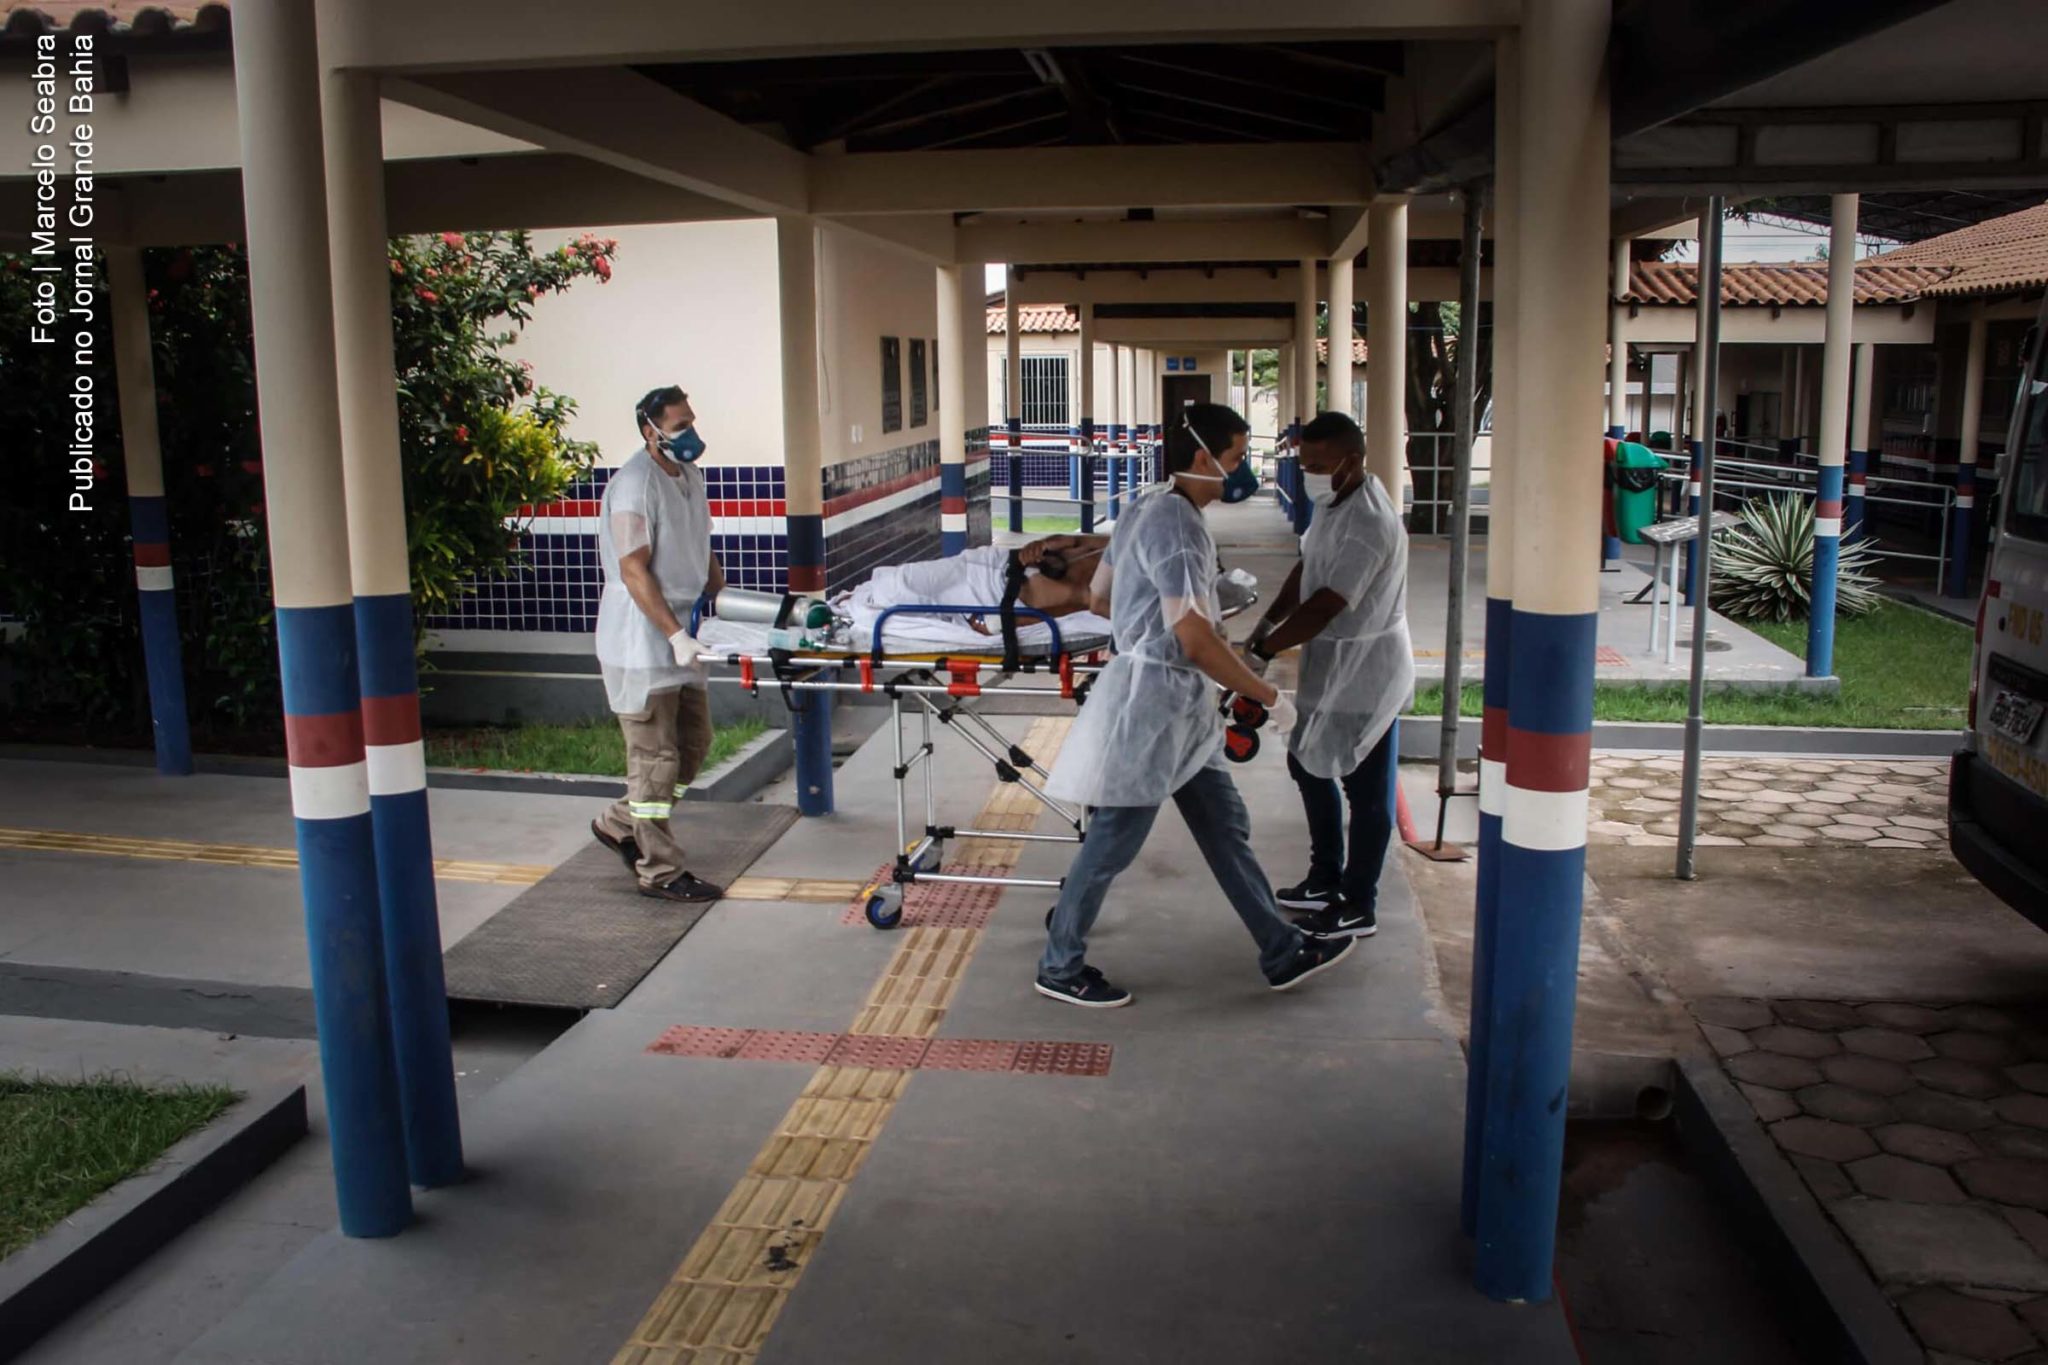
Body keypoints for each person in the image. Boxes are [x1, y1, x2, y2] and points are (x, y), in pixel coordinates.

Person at [1034, 403, 1357, 1008]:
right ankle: (1059, 965)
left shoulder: (1145, 506)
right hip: (1154, 710)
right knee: (1113, 840)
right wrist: (1263, 693)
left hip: (1174, 707)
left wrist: (1197, 610)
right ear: (1205, 457)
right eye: (1236, 458)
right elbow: (1193, 637)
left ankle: (1282, 950)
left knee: (1225, 828)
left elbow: (1100, 599)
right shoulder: (1180, 526)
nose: (1242, 470)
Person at [1244, 411, 1413, 939]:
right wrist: (1267, 622)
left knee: (1364, 788)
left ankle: (1359, 901)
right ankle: (1324, 876)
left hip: (1366, 671)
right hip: (1330, 662)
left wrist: (1266, 648)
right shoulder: (1332, 503)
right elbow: (1307, 568)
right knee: (1306, 764)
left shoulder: (1369, 522)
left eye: (1320, 465)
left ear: (1353, 461)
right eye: (1304, 463)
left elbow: (1328, 602)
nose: (1309, 473)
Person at [588, 384, 729, 902]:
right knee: (655, 762)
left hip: (681, 639)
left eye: (691, 421)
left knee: (695, 745)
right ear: (651, 431)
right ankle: (660, 870)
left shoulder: (688, 475)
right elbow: (632, 567)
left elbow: (701, 545)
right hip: (642, 644)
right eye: (678, 426)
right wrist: (672, 634)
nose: (690, 433)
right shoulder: (634, 485)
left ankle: (619, 822)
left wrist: (726, 599)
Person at [844, 534, 1109, 633]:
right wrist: (1039, 546)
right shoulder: (1117, 543)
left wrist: (1001, 622)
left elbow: (1069, 612)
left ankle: (854, 611)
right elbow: (1069, 540)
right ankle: (848, 608)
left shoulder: (1102, 596)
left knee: (899, 597)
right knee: (897, 583)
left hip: (994, 598)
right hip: (987, 566)